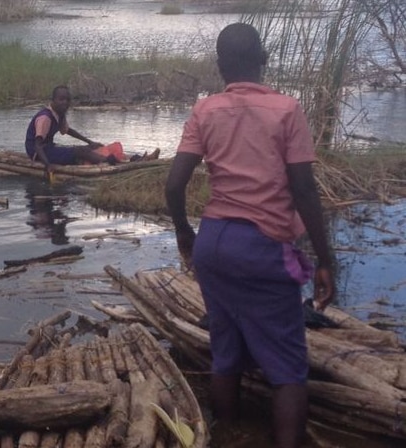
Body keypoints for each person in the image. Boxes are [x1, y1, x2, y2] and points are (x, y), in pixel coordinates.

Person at [164, 23, 335, 448]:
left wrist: (186, 235)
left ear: (221, 67)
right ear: (265, 60)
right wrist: (326, 259)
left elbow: (173, 185)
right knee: (288, 371)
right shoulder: (286, 109)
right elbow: (304, 189)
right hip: (264, 247)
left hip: (215, 244)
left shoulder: (205, 110)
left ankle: (229, 434)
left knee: (225, 355)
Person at [25, 85, 115, 176]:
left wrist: (90, 142)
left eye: (68, 100)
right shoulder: (45, 118)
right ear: (53, 100)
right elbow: (37, 145)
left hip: (47, 148)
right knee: (79, 151)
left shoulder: (60, 113)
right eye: (61, 99)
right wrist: (47, 165)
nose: (65, 103)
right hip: (37, 153)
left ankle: (97, 158)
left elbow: (68, 131)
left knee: (87, 148)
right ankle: (107, 160)